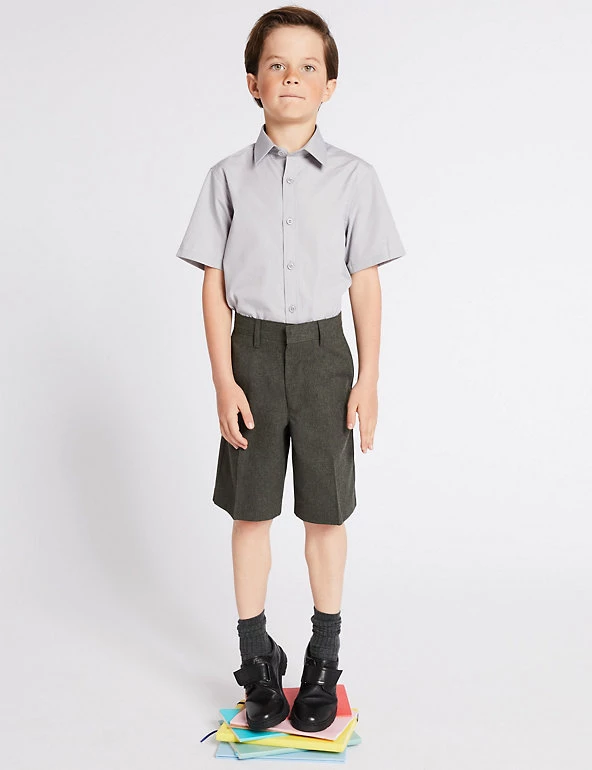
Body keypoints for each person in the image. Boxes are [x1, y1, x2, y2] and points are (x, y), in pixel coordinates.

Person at [175, 5, 406, 733]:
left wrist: (368, 379)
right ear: (253, 82)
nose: (292, 77)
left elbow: (365, 283)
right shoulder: (225, 178)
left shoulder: (355, 178)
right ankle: (255, 662)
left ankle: (324, 658)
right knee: (251, 512)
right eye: (276, 64)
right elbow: (212, 284)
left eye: (309, 66)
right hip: (249, 354)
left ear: (330, 85)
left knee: (325, 511)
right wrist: (224, 381)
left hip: (324, 357)